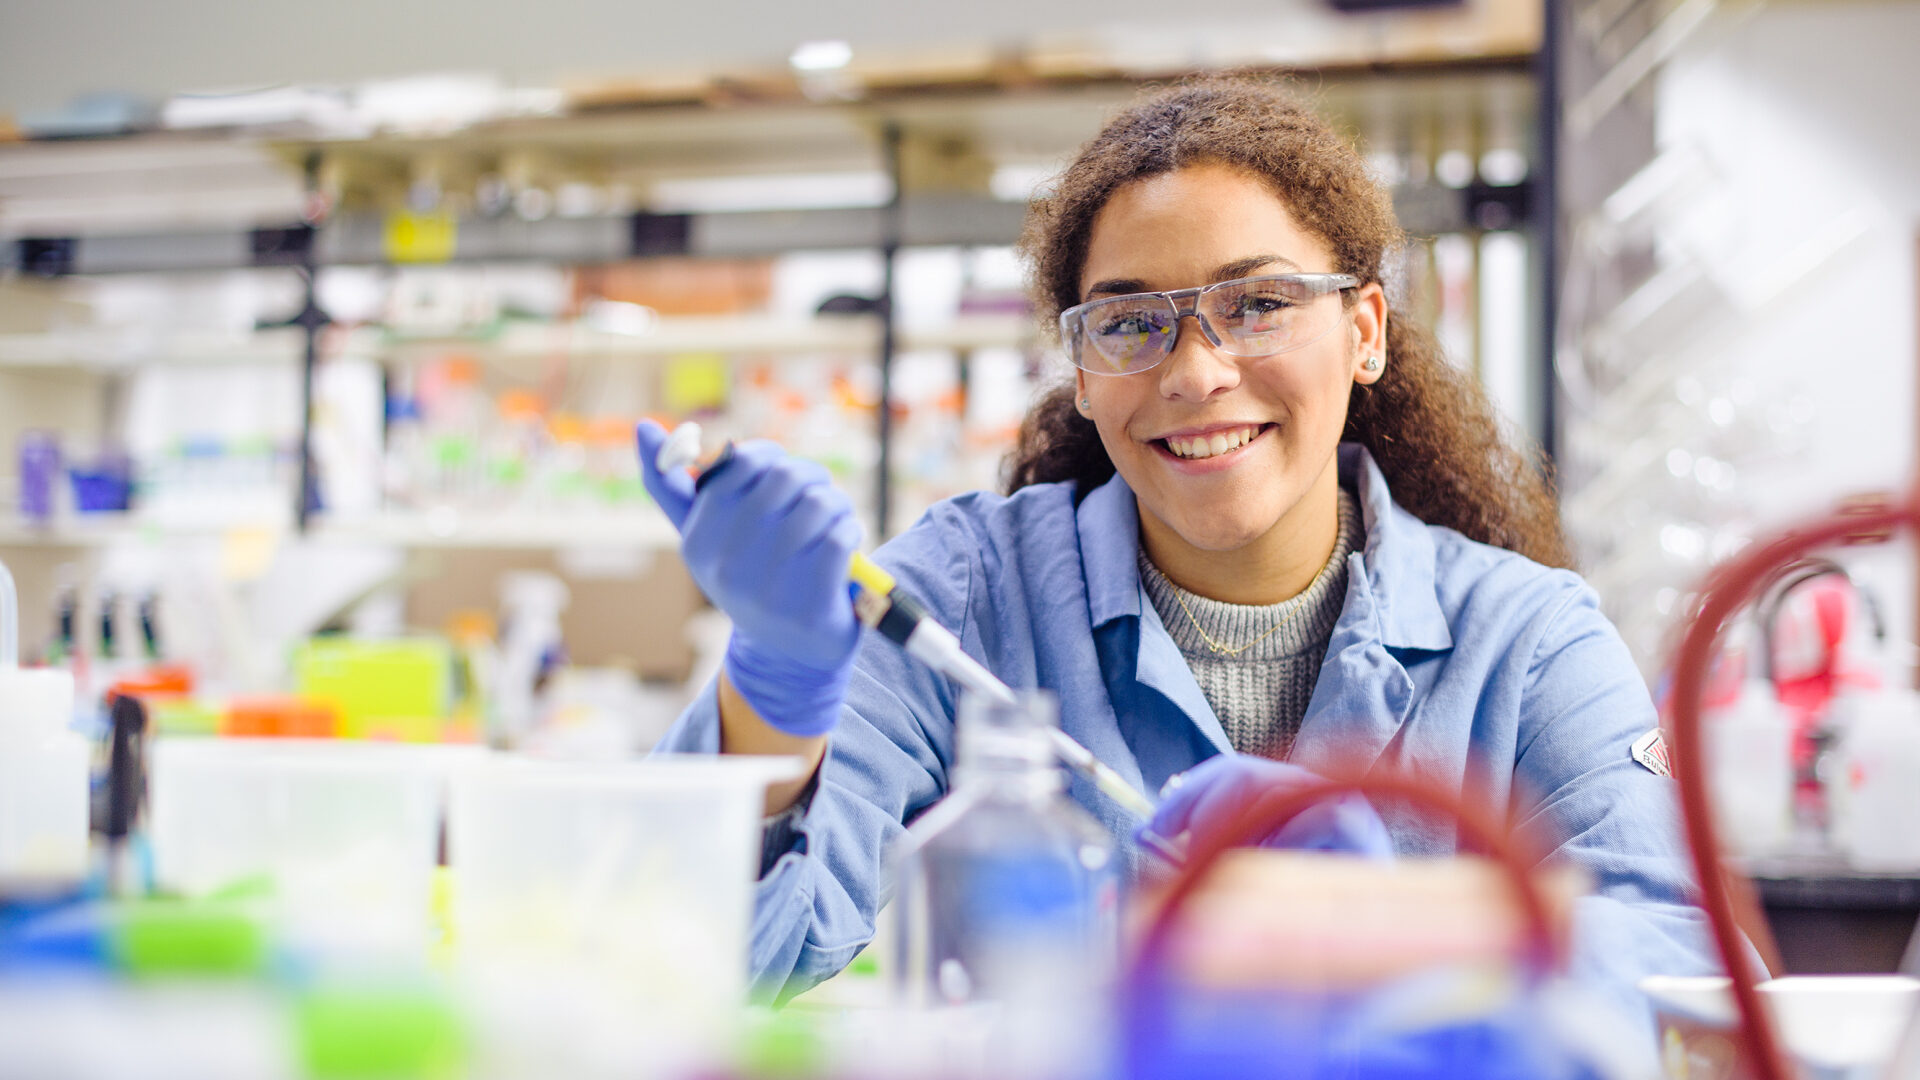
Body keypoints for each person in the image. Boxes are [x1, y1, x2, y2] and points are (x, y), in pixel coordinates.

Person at [637, 78, 1718, 1038]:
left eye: (1259, 305)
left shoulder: (1524, 637)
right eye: (1131, 321)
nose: (1197, 372)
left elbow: (1693, 978)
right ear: (1082, 365)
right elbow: (688, 971)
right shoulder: (964, 597)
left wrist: (1395, 932)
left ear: (1366, 331)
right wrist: (770, 700)